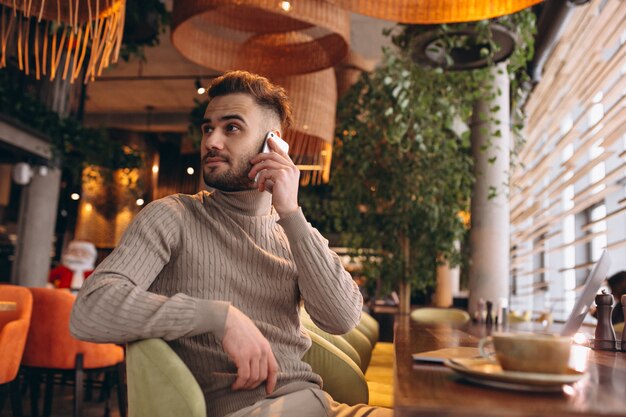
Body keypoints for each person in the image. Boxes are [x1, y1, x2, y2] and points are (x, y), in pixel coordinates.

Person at [70, 71, 391, 417]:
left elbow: (342, 318)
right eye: (208, 128)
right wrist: (217, 316)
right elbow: (89, 310)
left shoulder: (293, 232)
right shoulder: (174, 216)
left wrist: (291, 212)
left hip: (317, 404)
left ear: (273, 143)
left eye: (231, 128)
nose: (211, 142)